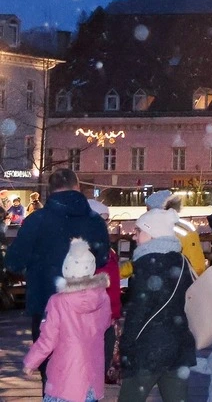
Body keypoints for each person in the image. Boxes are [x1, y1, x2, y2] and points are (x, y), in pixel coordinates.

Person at [5, 169, 109, 390]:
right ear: (77, 187)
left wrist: (34, 269)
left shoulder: (37, 220)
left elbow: (13, 262)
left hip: (46, 303)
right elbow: (101, 258)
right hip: (87, 307)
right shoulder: (95, 221)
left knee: (52, 373)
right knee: (85, 368)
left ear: (49, 192)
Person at [119, 208, 196, 402]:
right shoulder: (183, 261)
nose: (134, 237)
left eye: (139, 231)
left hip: (148, 350)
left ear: (152, 234)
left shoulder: (145, 265)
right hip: (179, 348)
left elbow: (138, 311)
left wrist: (126, 347)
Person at [22, 238, 112, 402]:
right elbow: (106, 324)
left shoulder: (58, 301)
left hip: (65, 379)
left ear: (66, 268)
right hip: (91, 378)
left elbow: (48, 339)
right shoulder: (103, 297)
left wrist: (31, 361)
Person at [88, 199, 123, 383]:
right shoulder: (98, 251)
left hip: (106, 313)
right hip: (101, 314)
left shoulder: (102, 250)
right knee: (97, 363)